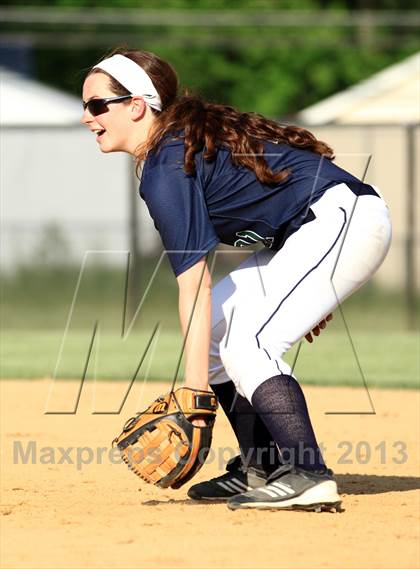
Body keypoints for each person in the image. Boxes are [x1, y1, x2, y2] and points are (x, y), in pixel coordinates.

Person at [81, 48, 392, 511]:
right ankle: (263, 464)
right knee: (216, 334)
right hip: (316, 230)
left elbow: (194, 285)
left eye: (96, 104)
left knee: (250, 341)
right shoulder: (171, 151)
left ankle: (308, 472)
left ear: (136, 105)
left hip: (340, 219)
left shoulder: (167, 162)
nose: (87, 117)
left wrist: (194, 396)